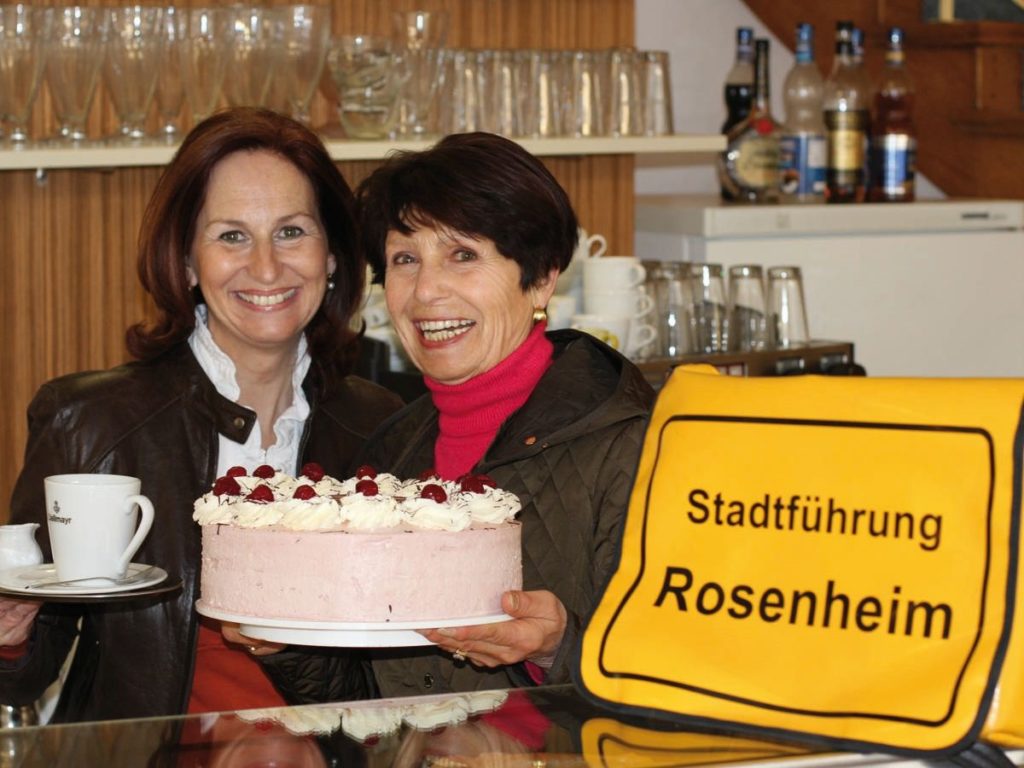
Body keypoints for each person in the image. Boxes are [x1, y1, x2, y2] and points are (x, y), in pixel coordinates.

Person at [0, 107, 402, 722]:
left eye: (292, 231)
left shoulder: (382, 423)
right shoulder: (91, 422)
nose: (266, 267)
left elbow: (393, 687)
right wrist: (10, 631)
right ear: (186, 262)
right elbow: (23, 680)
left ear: (333, 256)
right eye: (231, 236)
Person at [263, 132, 655, 699]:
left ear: (542, 277)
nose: (425, 291)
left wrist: (558, 647)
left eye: (463, 255)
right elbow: (363, 702)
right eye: (404, 259)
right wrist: (285, 642)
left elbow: (690, 684)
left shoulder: (634, 444)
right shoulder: (389, 454)